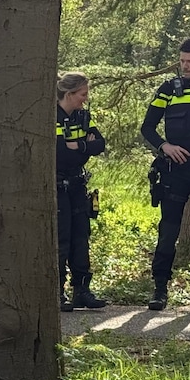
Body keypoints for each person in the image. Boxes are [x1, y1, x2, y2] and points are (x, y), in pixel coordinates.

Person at [141, 36, 190, 311]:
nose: (184, 65)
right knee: (168, 231)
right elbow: (147, 128)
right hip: (175, 172)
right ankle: (160, 289)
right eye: (182, 60)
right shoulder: (168, 90)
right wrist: (165, 146)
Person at [55, 72, 107, 312]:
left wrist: (81, 146)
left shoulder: (83, 116)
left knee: (81, 236)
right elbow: (60, 153)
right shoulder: (52, 117)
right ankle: (58, 291)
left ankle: (82, 290)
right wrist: (82, 148)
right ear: (69, 94)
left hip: (78, 185)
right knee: (62, 238)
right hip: (57, 185)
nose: (85, 99)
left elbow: (100, 144)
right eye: (83, 94)